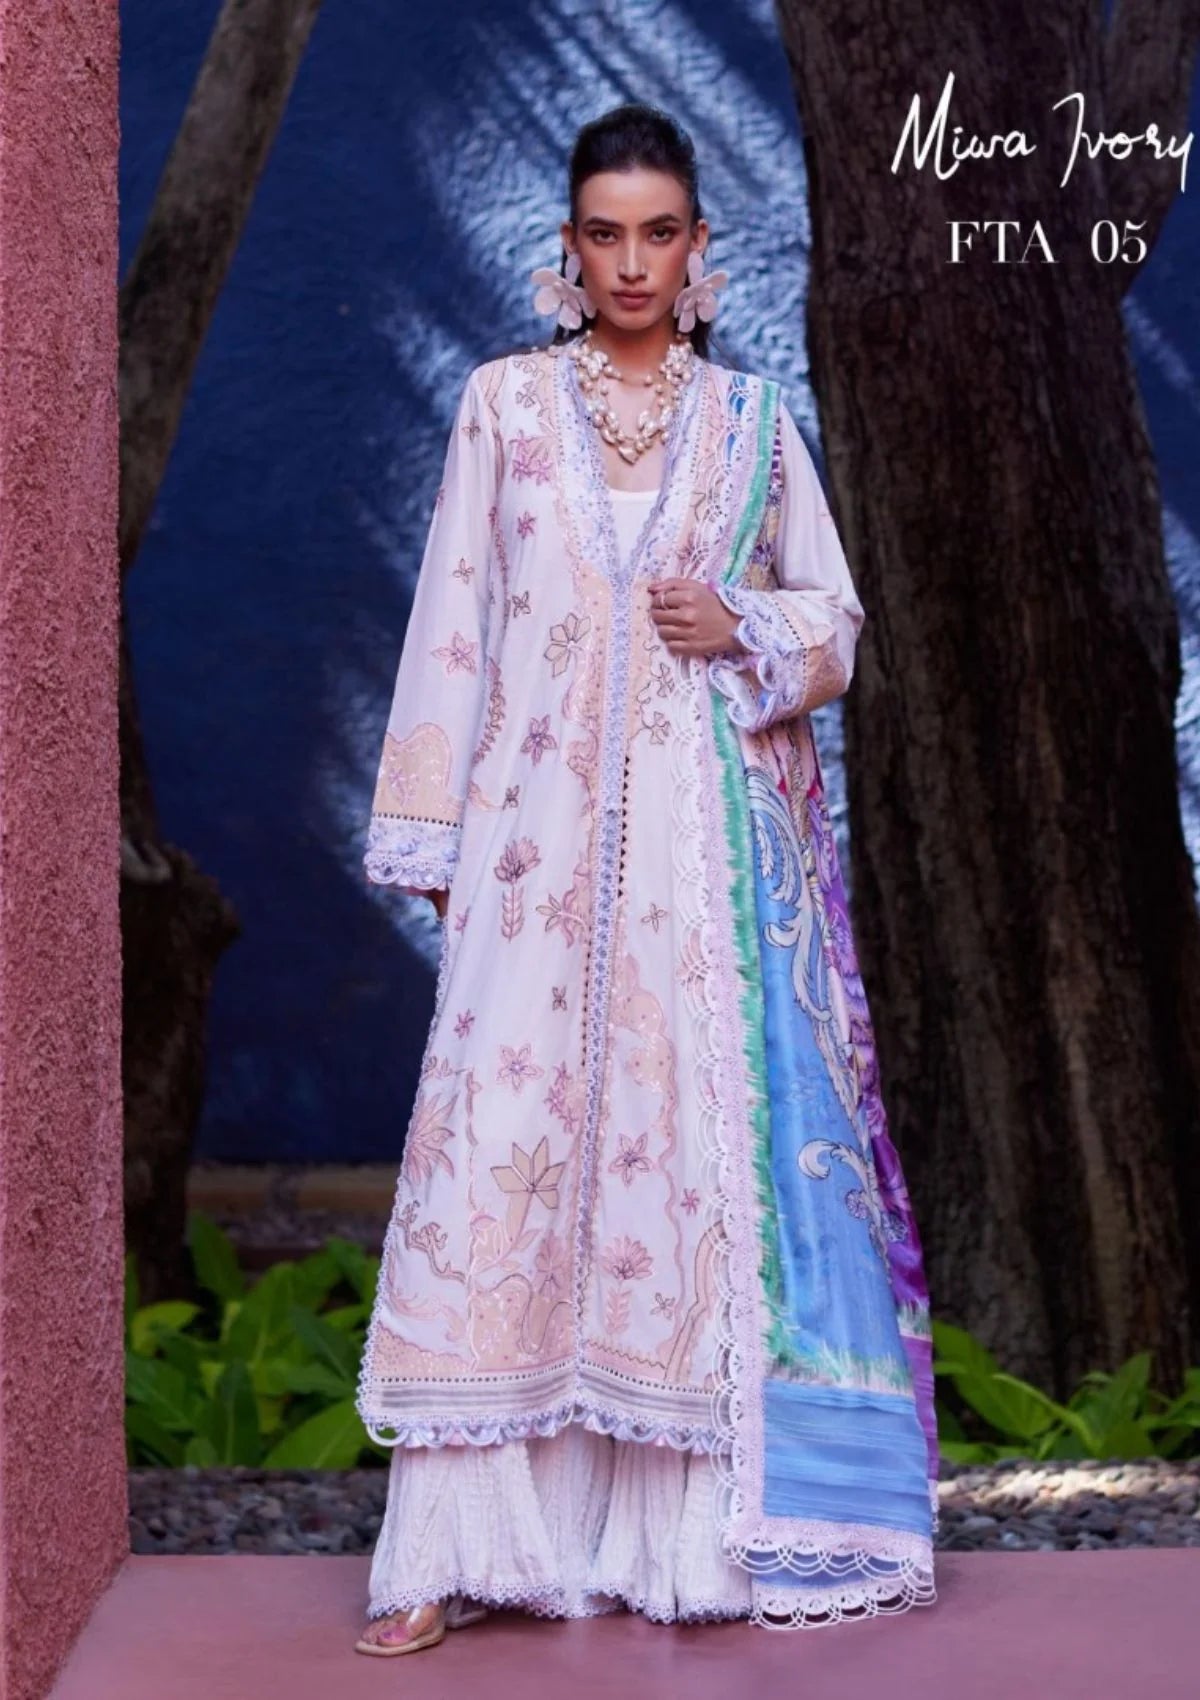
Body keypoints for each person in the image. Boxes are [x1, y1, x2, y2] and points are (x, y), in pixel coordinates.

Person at [353, 102, 938, 1657]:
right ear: (568, 246)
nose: (631, 263)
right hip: (532, 855)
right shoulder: (503, 407)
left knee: (674, 1177)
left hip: (700, 876)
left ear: (697, 249)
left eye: (658, 233)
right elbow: (452, 622)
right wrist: (434, 841)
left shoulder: (750, 426)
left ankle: (682, 1546)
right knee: (497, 1161)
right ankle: (454, 1548)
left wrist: (743, 628)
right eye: (605, 234)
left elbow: (835, 621)